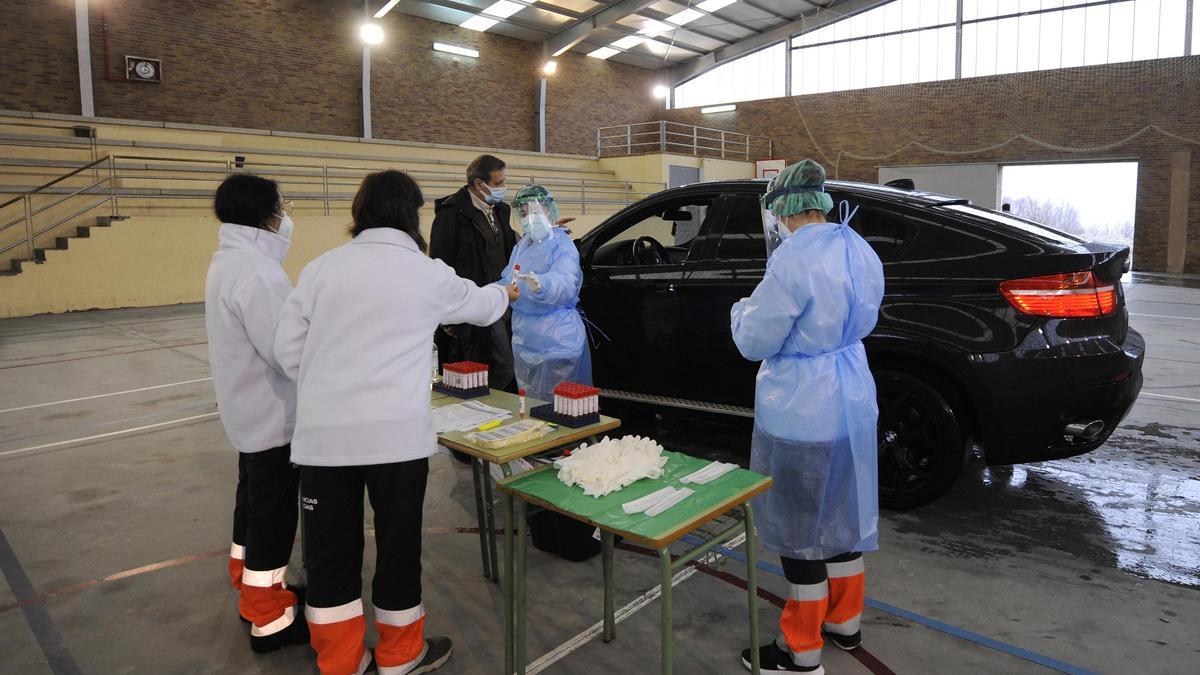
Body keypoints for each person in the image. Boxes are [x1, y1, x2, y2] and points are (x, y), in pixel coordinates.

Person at [274, 170, 520, 675]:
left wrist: (329, 386)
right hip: (396, 441)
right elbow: (480, 304)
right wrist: (507, 294)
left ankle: (341, 661)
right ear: (413, 215)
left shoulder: (322, 270)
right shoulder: (425, 272)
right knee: (398, 548)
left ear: (358, 212)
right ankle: (400, 654)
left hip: (325, 441)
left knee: (330, 556)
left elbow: (286, 352)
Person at [730, 160, 885, 674]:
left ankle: (801, 651)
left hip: (802, 407)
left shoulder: (792, 262)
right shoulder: (856, 247)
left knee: (801, 531)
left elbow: (755, 341)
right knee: (841, 517)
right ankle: (845, 621)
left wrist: (739, 312)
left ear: (782, 209)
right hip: (852, 397)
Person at [204, 174, 308, 653]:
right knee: (272, 514)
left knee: (251, 505)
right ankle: (268, 617)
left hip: (246, 412)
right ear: (266, 214)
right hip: (270, 414)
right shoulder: (259, 273)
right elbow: (286, 350)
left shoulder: (228, 261)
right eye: (281, 204)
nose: (286, 213)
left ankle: (248, 581)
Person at [430, 154, 519, 392]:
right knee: (501, 367)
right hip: (475, 302)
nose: (503, 188)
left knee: (503, 366)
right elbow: (440, 264)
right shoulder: (452, 213)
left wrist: (548, 231)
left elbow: (513, 243)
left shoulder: (500, 210)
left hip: (504, 297)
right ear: (479, 184)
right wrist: (448, 316)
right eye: (498, 183)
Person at [499, 185, 591, 404]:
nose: (528, 218)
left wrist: (544, 284)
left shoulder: (562, 244)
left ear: (549, 211)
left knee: (563, 406)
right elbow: (508, 279)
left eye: (534, 211)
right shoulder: (522, 246)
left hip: (557, 340)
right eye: (523, 213)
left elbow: (567, 280)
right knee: (531, 404)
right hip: (524, 340)